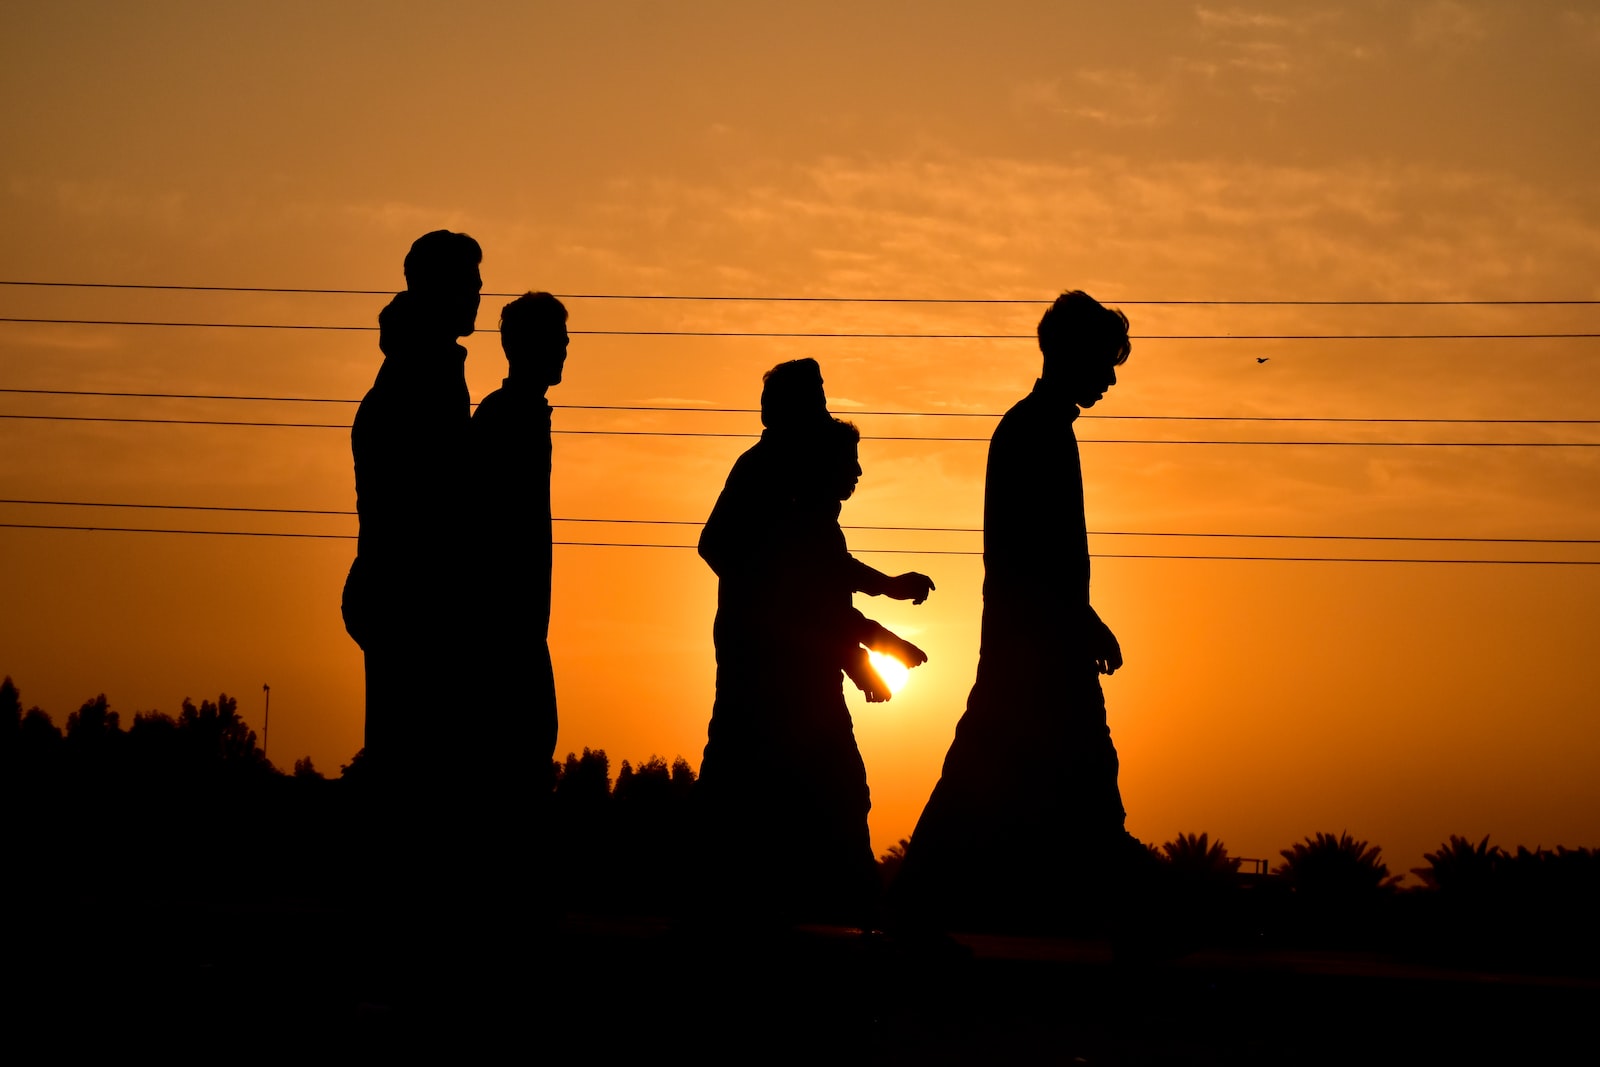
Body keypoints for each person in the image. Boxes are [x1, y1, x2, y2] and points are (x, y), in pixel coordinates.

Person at [889, 289, 1142, 936]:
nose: (1111, 377)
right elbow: (1031, 553)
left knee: (1009, 777)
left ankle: (912, 914)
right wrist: (1079, 620)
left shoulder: (1039, 430)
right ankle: (1139, 921)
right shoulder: (1034, 433)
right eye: (1104, 362)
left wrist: (1081, 618)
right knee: (1052, 779)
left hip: (1035, 644)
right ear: (1073, 355)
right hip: (1034, 649)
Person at [694, 362, 932, 929]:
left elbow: (822, 582)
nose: (823, 412)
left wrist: (881, 614)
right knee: (780, 786)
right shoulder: (762, 473)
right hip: (765, 671)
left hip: (794, 671)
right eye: (817, 401)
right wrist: (866, 650)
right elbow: (725, 550)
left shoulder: (796, 488)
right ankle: (848, 911)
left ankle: (760, 909)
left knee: (797, 787)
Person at [342, 229, 482, 794]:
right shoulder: (420, 380)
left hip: (406, 593)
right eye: (468, 284)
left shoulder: (431, 370)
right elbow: (435, 502)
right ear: (439, 290)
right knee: (415, 768)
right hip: (410, 596)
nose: (477, 295)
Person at [471, 291, 568, 769]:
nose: (566, 348)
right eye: (558, 338)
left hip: (523, 623)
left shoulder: (523, 415)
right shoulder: (503, 419)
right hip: (504, 628)